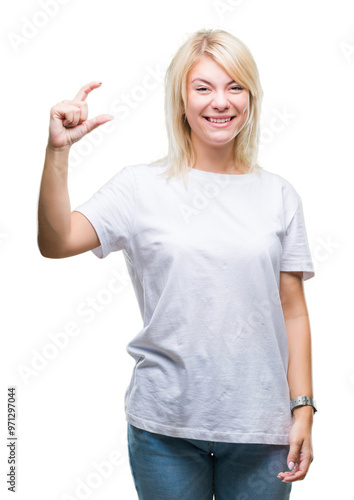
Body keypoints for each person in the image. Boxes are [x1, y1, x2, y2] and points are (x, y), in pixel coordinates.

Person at [37, 28, 316, 500]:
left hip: (260, 430)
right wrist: (58, 152)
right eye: (203, 87)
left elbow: (293, 310)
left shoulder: (279, 195)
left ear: (251, 97)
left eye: (235, 87)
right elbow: (56, 240)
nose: (220, 102)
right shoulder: (138, 187)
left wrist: (303, 408)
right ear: (180, 99)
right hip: (163, 427)